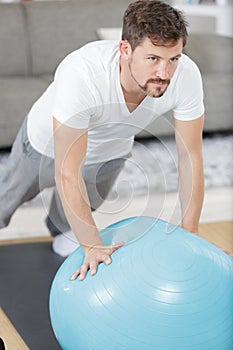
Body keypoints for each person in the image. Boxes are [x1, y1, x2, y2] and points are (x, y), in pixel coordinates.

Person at [0, 0, 205, 280]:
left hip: (110, 152)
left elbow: (190, 156)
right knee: (5, 201)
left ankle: (62, 230)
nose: (164, 73)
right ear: (125, 50)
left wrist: (190, 235)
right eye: (153, 59)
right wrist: (93, 246)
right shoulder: (83, 72)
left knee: (73, 222)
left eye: (173, 59)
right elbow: (67, 171)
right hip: (44, 145)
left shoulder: (186, 75)